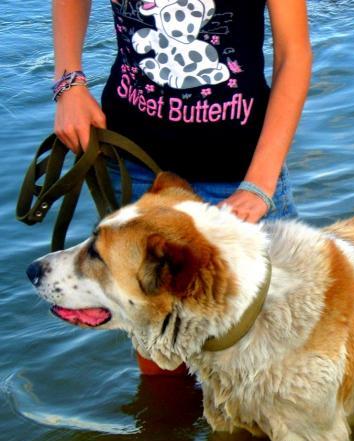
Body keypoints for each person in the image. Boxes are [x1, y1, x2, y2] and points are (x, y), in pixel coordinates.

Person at [52, 0, 312, 373]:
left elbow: (293, 54)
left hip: (241, 174)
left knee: (281, 362)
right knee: (160, 359)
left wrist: (259, 183)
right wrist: (69, 83)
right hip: (134, 162)